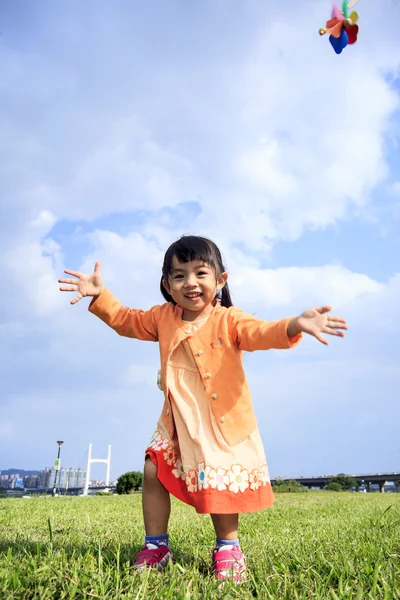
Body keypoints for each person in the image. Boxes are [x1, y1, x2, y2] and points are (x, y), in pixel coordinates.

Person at [58, 235, 347, 583]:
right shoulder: (163, 317)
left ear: (220, 280)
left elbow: (261, 332)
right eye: (179, 276)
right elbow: (126, 320)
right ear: (167, 285)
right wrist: (100, 295)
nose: (190, 283)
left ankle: (228, 546)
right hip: (178, 420)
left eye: (200, 273)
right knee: (153, 470)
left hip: (221, 421)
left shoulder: (230, 319)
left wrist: (293, 325)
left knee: (220, 485)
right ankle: (156, 545)